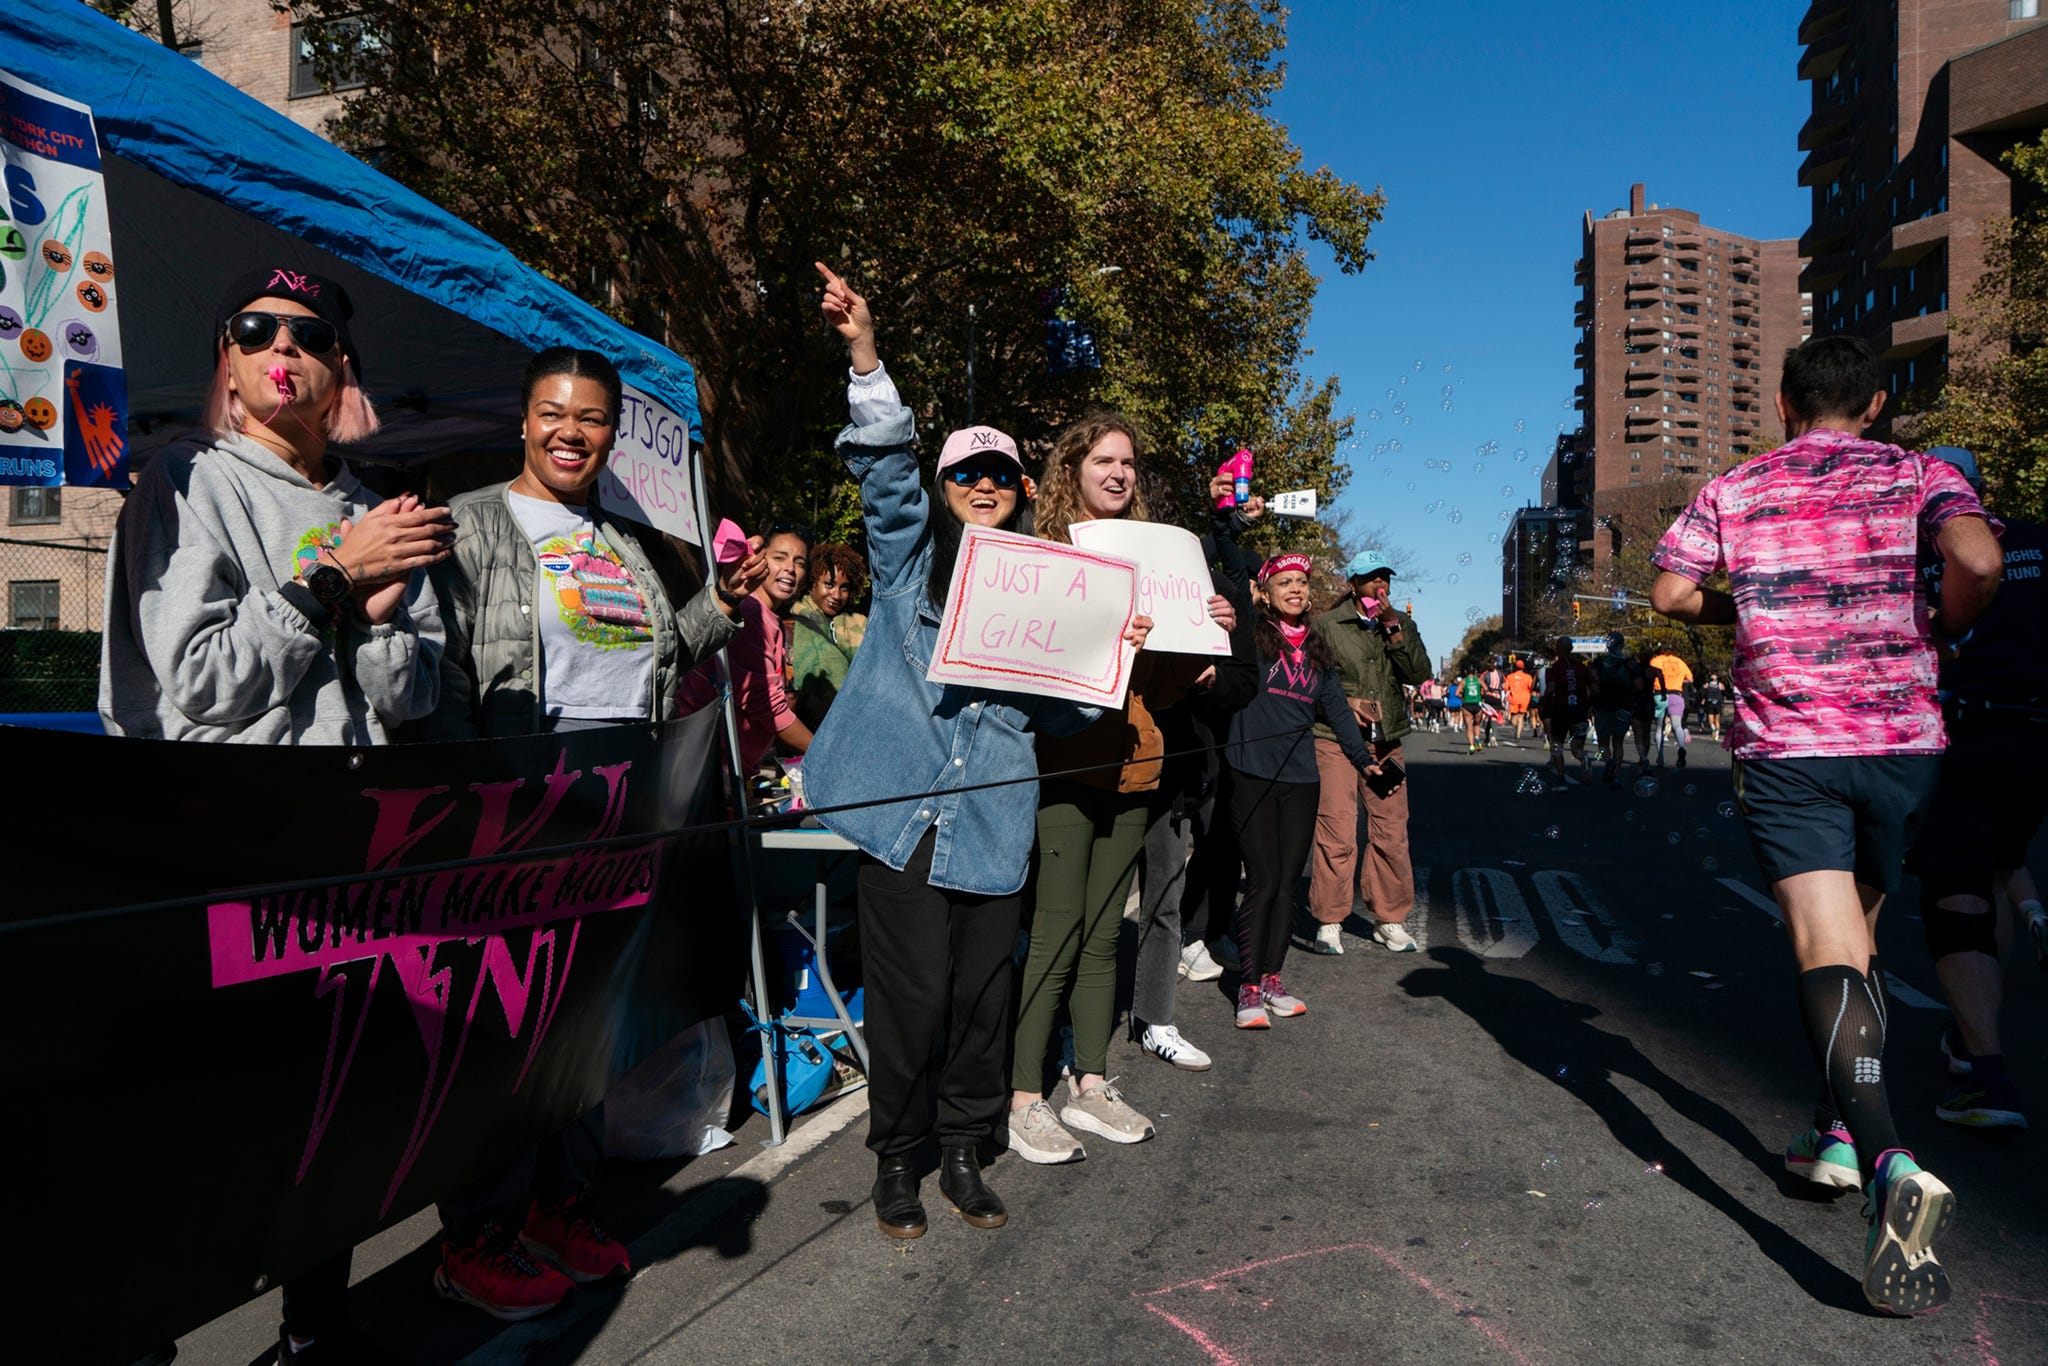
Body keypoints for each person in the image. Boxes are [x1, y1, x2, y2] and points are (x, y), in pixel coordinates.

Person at [101, 267, 452, 1361]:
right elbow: (197, 682)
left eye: (310, 334)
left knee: (333, 1109)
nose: (281, 348)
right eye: (254, 331)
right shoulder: (187, 480)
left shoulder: (372, 507)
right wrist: (332, 590)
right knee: (217, 1124)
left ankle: (317, 1321)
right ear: (229, 357)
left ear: (341, 364)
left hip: (351, 854)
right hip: (224, 854)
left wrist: (375, 615)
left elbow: (414, 694)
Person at [1650, 333, 2002, 1316]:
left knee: (1823, 949)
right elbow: (1973, 556)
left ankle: (1883, 1152)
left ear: (1779, 402)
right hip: (1902, 743)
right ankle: (1838, 1128)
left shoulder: (1736, 486)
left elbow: (1670, 593)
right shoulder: (1919, 473)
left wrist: (1750, 606)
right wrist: (1945, 623)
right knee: (1862, 937)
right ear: (1878, 401)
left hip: (1792, 744)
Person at [802, 264, 1147, 1238]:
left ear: (1019, 489)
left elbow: (1063, 725)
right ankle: (895, 1163)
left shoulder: (1050, 588)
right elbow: (880, 478)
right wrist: (864, 356)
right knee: (908, 1006)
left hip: (994, 832)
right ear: (945, 488)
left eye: (998, 474)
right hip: (904, 829)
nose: (982, 486)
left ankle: (962, 1152)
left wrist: (1103, 668)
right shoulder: (910, 564)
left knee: (978, 1005)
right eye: (964, 473)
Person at [428, 345, 763, 1321]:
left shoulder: (618, 541)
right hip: (519, 822)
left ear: (610, 435)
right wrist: (475, 802)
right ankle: (475, 1236)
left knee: (584, 1032)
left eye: (589, 419)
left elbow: (647, 659)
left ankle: (554, 1207)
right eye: (552, 413)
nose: (569, 432)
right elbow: (448, 671)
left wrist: (715, 609)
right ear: (523, 420)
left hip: (620, 823)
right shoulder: (477, 527)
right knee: (505, 1043)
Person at [1008, 414, 1234, 1161]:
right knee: (1057, 931)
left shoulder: (1156, 558)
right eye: (1102, 460)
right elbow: (1034, 669)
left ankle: (1091, 1084)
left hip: (1138, 766)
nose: (1118, 473)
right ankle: (1023, 1100)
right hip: (1067, 765)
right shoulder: (1046, 554)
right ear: (1072, 467)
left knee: (1106, 934)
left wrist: (1203, 646)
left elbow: (1163, 691)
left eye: (1128, 463)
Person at [1904, 446, 2048, 1133]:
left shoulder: (1919, 559)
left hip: (1964, 731)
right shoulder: (2037, 543)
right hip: (2039, 737)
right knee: (1992, 874)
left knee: (1953, 890)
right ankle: (1968, 1043)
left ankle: (1990, 1075)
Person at [1222, 552, 1381, 1027]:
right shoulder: (1249, 634)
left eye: (1302, 583)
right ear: (1266, 592)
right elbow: (1233, 577)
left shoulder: (1316, 646)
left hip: (1301, 779)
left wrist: (1361, 760)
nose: (1296, 589)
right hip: (1249, 773)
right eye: (1285, 582)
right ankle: (1248, 989)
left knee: (1288, 883)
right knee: (1264, 879)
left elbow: (1334, 708)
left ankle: (1273, 977)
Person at [1308, 549, 1430, 955]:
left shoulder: (1399, 623)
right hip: (1334, 738)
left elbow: (1418, 675)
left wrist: (1395, 632)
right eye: (1371, 578)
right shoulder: (1326, 626)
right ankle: (1329, 920)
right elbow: (1310, 684)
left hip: (1386, 740)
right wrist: (1349, 704)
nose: (1381, 585)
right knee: (1337, 828)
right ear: (1353, 584)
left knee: (1392, 831)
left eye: (1385, 578)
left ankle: (1389, 918)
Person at [676, 522, 814, 769]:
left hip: (731, 769)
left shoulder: (772, 619)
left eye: (800, 563)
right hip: (705, 767)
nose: (790, 569)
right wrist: (822, 750)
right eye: (779, 558)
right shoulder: (750, 612)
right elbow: (768, 706)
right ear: (759, 561)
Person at [789, 542, 869, 729]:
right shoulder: (795, 625)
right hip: (809, 730)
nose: (836, 595)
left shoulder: (860, 623)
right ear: (812, 583)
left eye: (844, 587)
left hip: (854, 723)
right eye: (829, 584)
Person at [1537, 636, 1592, 788]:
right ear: (1572, 649)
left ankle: (1561, 779)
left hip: (1561, 711)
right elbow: (1594, 688)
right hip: (1579, 711)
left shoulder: (1553, 669)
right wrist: (1589, 706)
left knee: (1556, 745)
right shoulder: (1582, 667)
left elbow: (1550, 689)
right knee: (1576, 748)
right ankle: (1584, 758)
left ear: (1557, 649)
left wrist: (1544, 703)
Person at [1591, 634, 1639, 788]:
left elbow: (1592, 680)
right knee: (1618, 741)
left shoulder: (1599, 661)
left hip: (1603, 705)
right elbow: (1639, 685)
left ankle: (1608, 761)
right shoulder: (1630, 662)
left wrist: (1594, 697)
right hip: (1624, 705)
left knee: (1603, 740)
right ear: (1622, 645)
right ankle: (1616, 773)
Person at [1650, 647, 1693, 768]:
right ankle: (1681, 747)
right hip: (1676, 695)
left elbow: (1649, 676)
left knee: (1659, 728)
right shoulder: (1680, 661)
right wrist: (1679, 681)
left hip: (1660, 695)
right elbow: (1690, 678)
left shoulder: (1655, 661)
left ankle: (1660, 756)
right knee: (1677, 726)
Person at [1505, 659, 1535, 741]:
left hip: (1514, 698)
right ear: (1523, 667)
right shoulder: (1528, 677)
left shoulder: (1510, 676)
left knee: (1514, 716)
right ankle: (1518, 735)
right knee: (1521, 717)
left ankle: (1514, 726)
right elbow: (1531, 687)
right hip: (1525, 698)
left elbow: (1505, 688)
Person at [1702, 671, 1726, 742]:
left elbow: (1723, 689)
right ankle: (1715, 731)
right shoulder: (1711, 684)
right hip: (1713, 703)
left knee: (1715, 720)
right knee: (1713, 720)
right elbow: (1703, 690)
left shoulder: (1716, 684)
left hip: (1714, 703)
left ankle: (1715, 732)